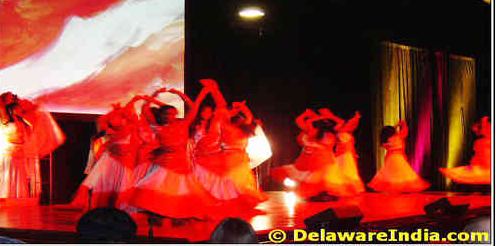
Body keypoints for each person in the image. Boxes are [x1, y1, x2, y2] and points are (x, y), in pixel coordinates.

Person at [123, 84, 221, 225]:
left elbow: (193, 107)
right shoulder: (157, 127)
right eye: (166, 113)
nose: (170, 116)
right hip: (164, 163)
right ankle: (160, 215)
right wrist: (154, 94)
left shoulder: (183, 124)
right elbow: (145, 109)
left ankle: (177, 215)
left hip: (181, 163)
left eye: (173, 113)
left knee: (179, 191)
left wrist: (180, 94)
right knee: (160, 190)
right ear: (161, 115)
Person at [193, 79, 267, 214]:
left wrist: (240, 107)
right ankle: (214, 88)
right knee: (230, 184)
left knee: (235, 185)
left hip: (237, 159)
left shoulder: (240, 129)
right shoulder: (229, 127)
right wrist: (239, 107)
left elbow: (248, 116)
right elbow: (242, 115)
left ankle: (214, 88)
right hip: (230, 157)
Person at [271, 109, 355, 200]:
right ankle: (320, 195)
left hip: (327, 159)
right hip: (317, 158)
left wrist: (329, 116)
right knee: (317, 178)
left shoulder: (332, 131)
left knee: (327, 178)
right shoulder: (314, 132)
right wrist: (311, 115)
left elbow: (340, 122)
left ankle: (325, 195)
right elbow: (303, 122)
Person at [368, 121, 430, 192]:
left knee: (392, 176)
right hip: (398, 159)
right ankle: (399, 191)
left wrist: (394, 128)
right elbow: (405, 129)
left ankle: (396, 192)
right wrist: (397, 125)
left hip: (391, 159)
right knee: (403, 175)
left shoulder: (386, 141)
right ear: (393, 132)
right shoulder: (398, 137)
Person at [319, 109, 365, 194]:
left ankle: (350, 190)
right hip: (341, 155)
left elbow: (350, 144)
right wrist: (328, 116)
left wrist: (354, 154)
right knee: (344, 173)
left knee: (348, 173)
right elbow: (342, 124)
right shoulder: (338, 130)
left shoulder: (346, 132)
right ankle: (343, 190)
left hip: (347, 155)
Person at [439, 117, 491, 185]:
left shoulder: (484, 142)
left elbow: (485, 158)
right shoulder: (481, 142)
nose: (475, 131)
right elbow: (481, 157)